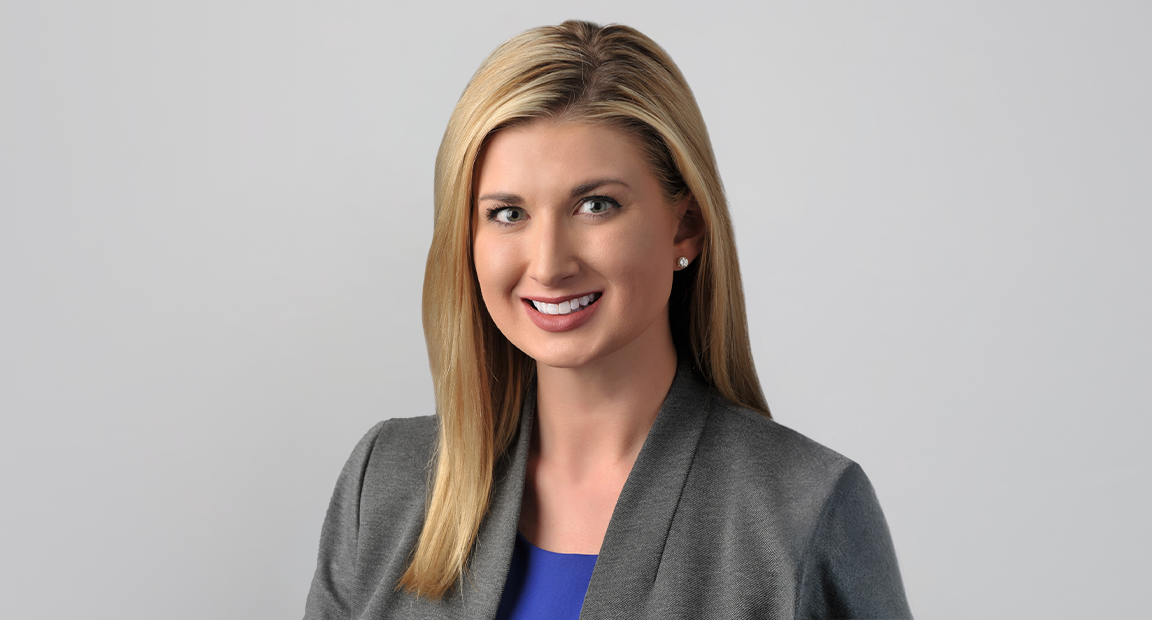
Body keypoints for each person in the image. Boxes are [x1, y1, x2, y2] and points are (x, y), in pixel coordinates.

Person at [304, 20, 911, 620]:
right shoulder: (386, 480)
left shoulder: (803, 513)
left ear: (687, 226)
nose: (548, 265)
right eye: (508, 213)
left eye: (596, 205)